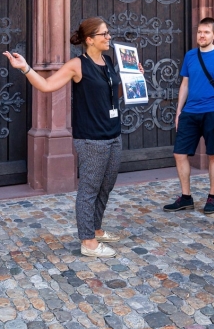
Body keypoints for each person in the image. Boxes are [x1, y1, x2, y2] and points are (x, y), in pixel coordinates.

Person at [3, 17, 133, 259]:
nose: (109, 37)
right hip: (91, 138)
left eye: (108, 33)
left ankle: (95, 229)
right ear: (89, 39)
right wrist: (25, 67)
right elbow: (46, 85)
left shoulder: (108, 61)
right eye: (104, 34)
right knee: (89, 189)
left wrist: (133, 78)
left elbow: (113, 95)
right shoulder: (77, 65)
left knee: (106, 186)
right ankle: (88, 242)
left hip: (114, 134)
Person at [164, 18, 214, 215]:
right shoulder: (190, 55)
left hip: (212, 112)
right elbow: (185, 84)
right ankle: (186, 197)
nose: (201, 35)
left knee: (212, 154)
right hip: (190, 112)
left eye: (206, 32)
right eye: (199, 31)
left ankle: (212, 196)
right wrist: (179, 111)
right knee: (179, 153)